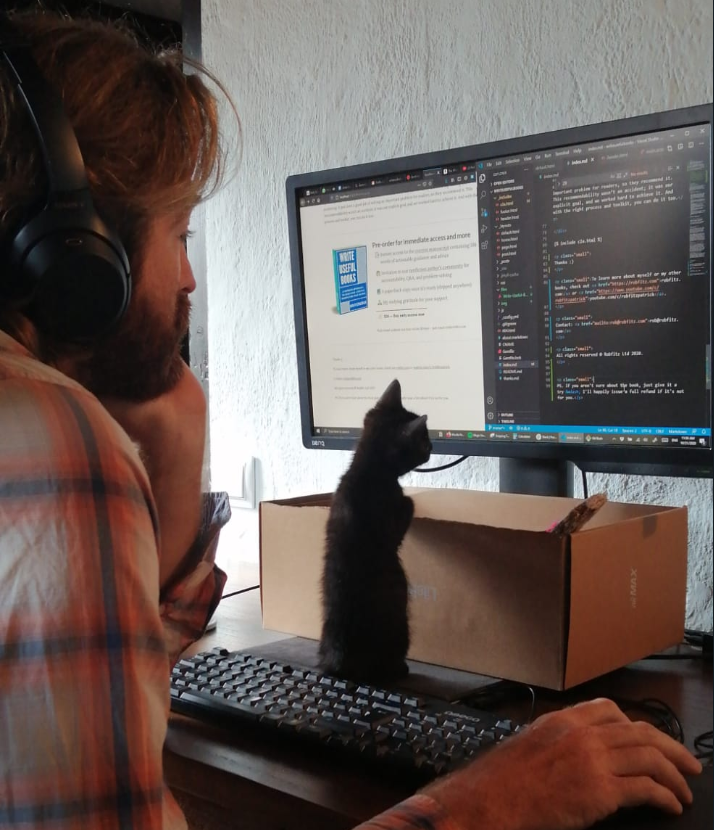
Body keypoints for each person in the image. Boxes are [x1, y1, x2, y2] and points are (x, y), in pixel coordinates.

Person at [0, 9, 702, 830]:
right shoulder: (56, 444)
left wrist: (179, 448)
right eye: (180, 234)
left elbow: (94, 701)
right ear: (81, 256)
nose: (190, 278)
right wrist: (490, 800)